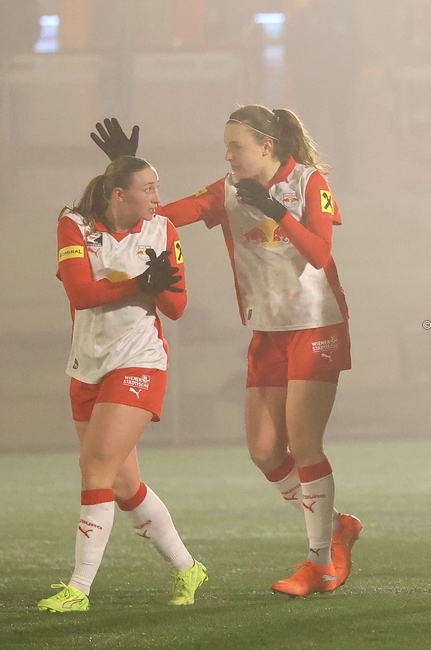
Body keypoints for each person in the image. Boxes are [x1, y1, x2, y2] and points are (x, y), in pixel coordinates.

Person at [91, 108, 361, 597]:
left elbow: (321, 252)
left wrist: (276, 209)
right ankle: (334, 525)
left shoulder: (307, 181)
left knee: (303, 444)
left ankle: (320, 562)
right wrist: (126, 176)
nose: (228, 154)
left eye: (235, 146)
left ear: (266, 146)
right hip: (267, 332)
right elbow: (163, 217)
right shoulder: (227, 190)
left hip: (316, 324)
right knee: (263, 450)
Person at [40, 156, 207, 612]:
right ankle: (188, 568)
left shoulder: (163, 230)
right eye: (149, 189)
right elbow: (80, 294)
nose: (158, 197)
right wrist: (140, 284)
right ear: (119, 195)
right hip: (86, 366)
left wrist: (158, 286)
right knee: (123, 485)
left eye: (158, 188)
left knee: (95, 465)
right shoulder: (74, 225)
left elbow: (176, 308)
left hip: (140, 363)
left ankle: (78, 588)